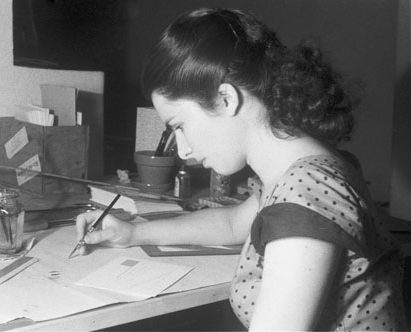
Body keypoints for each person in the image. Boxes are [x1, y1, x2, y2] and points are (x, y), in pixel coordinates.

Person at [75, 8, 407, 331]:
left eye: (179, 125)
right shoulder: (304, 170)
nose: (182, 149)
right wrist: (132, 233)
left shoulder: (306, 195)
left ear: (225, 99)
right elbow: (233, 222)